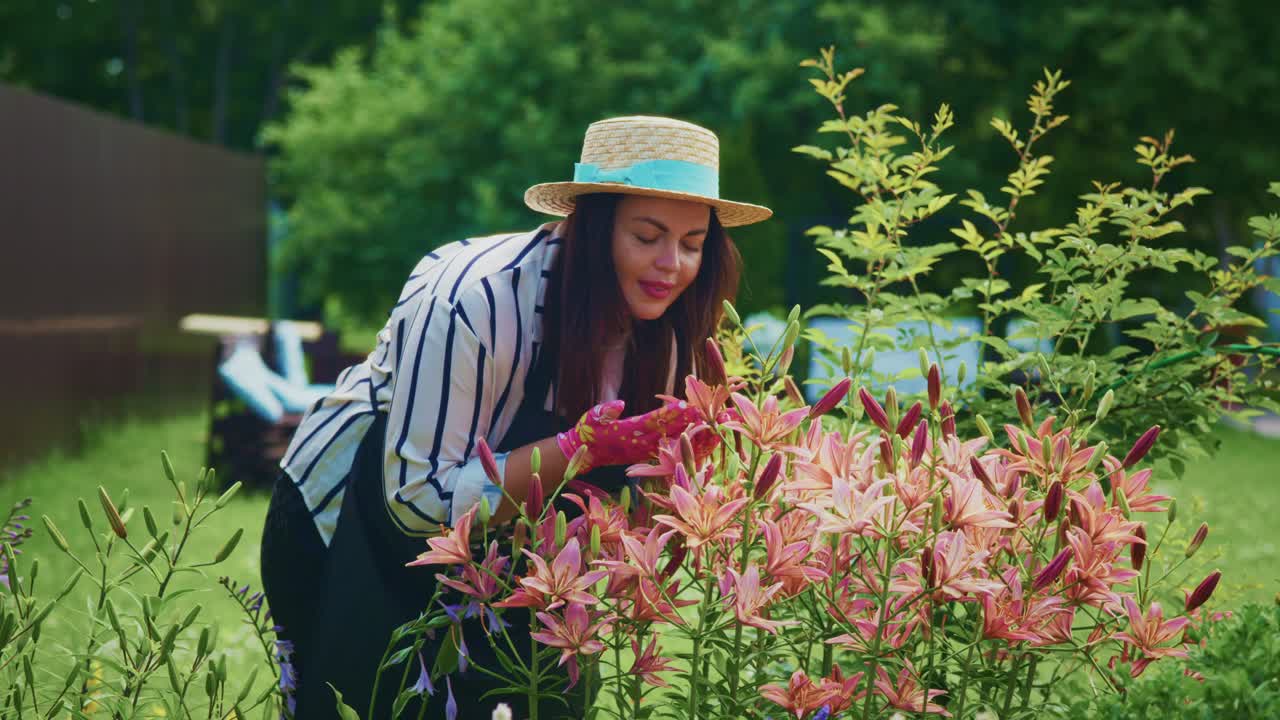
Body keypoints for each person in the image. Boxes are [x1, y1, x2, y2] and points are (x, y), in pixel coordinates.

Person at [259, 115, 772, 718]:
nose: (672, 266)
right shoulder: (474, 299)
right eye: (647, 236)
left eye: (692, 244)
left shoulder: (673, 322)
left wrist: (666, 503)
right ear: (592, 227)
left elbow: (636, 506)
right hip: (354, 527)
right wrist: (581, 449)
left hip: (519, 558)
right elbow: (415, 500)